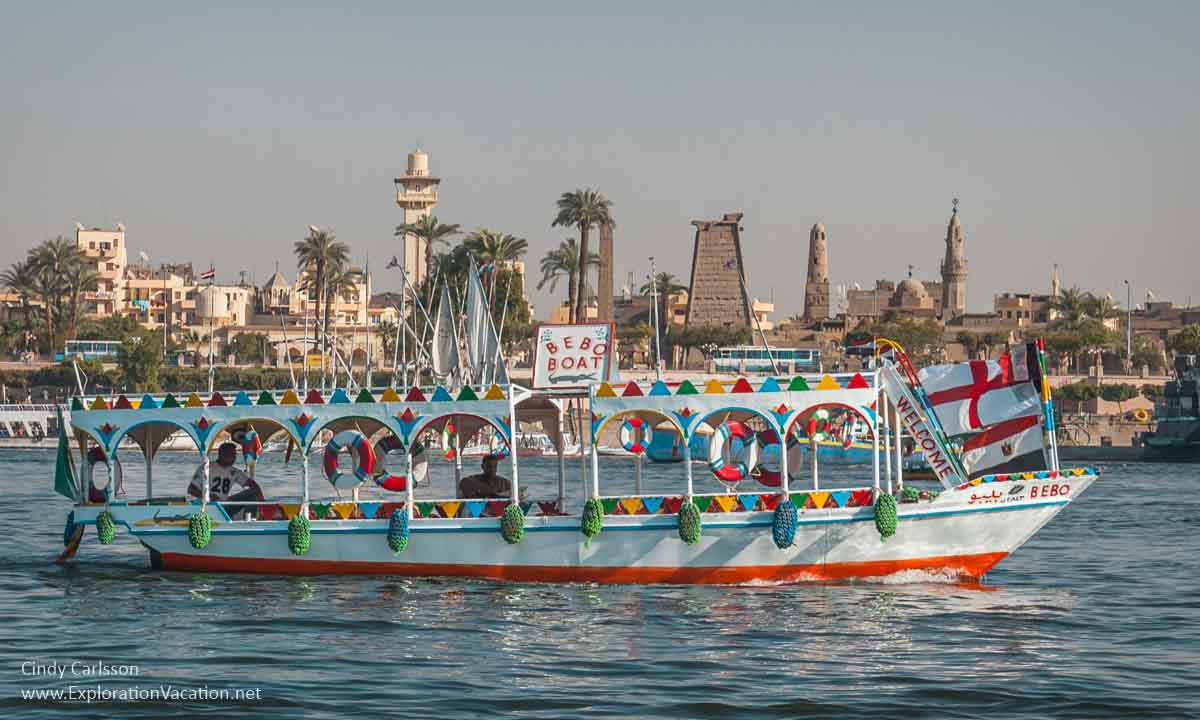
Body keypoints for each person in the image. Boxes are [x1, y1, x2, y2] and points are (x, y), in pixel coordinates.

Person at [189, 442, 264, 516]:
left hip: (224, 507)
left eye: (235, 455)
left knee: (251, 494)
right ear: (222, 454)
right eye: (232, 455)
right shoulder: (207, 468)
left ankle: (250, 521)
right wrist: (207, 496)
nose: (234, 458)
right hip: (208, 507)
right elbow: (191, 489)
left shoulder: (234, 471)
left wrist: (262, 502)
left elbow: (253, 485)